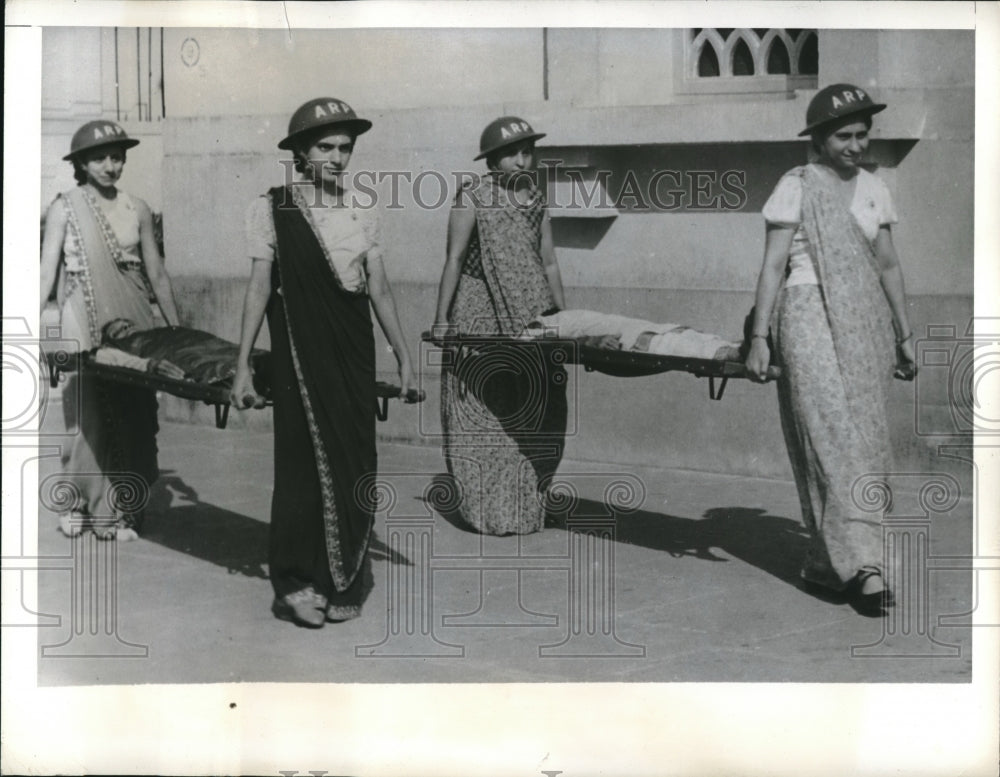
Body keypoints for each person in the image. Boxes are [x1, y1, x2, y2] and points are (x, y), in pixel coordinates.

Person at [231, 97, 417, 628]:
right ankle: (295, 581)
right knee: (300, 465)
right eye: (325, 147)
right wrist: (243, 364)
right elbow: (259, 287)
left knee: (355, 457)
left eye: (346, 147)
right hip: (299, 354)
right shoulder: (271, 209)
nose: (338, 157)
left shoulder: (364, 208)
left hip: (352, 351)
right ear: (299, 153)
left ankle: (345, 577)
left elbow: (378, 287)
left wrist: (403, 357)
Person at [744, 84, 917, 614]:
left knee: (864, 439)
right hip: (807, 311)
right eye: (844, 135)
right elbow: (774, 264)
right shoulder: (796, 186)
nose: (855, 144)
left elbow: (887, 265)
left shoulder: (873, 188)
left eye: (863, 134)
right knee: (828, 436)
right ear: (818, 139)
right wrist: (758, 335)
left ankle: (826, 565)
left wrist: (904, 333)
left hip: (865, 320)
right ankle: (865, 565)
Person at [40, 120, 181, 541]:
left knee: (135, 413)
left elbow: (156, 272)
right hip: (83, 315)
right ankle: (78, 502)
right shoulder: (65, 207)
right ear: (80, 163)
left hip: (134, 318)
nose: (110, 165)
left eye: (117, 157)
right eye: (99, 157)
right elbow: (47, 271)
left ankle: (121, 509)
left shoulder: (137, 208)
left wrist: (175, 331)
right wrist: (35, 329)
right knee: (88, 415)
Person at [432, 116, 567, 535]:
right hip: (479, 308)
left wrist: (565, 316)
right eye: (512, 153)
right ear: (492, 160)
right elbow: (454, 258)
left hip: (530, 312)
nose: (522, 161)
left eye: (528, 152)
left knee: (534, 403)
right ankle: (486, 508)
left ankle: (528, 503)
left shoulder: (536, 201)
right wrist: (441, 318)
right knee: (480, 406)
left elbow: (548, 262)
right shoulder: (472, 197)